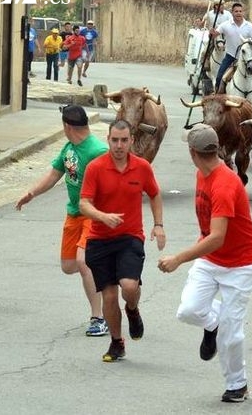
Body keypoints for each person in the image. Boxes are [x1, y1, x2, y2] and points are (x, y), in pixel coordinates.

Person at [158, 123, 252, 403]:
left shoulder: (225, 184)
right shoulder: (201, 173)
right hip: (210, 259)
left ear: (193, 152)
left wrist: (178, 258)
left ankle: (238, 385)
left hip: (239, 263)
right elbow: (210, 234)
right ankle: (213, 324)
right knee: (188, 311)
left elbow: (217, 237)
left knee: (232, 334)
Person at [15, 105, 109, 336]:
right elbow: (54, 174)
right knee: (68, 266)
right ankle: (103, 270)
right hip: (74, 214)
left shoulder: (98, 151)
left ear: (67, 126)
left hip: (94, 214)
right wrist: (32, 193)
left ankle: (99, 318)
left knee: (82, 261)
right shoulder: (69, 148)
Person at [79, 119, 167, 362]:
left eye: (124, 140)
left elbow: (155, 194)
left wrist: (158, 225)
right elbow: (84, 203)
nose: (119, 145)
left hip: (129, 237)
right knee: (108, 296)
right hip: (100, 240)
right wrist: (101, 216)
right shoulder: (96, 168)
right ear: (108, 140)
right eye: (115, 140)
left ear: (131, 141)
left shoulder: (142, 167)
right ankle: (117, 342)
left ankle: (132, 309)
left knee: (129, 286)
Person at [211, 2, 252, 92]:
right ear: (232, 12)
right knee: (219, 77)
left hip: (246, 57)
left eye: (240, 11)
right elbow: (215, 34)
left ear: (243, 12)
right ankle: (217, 96)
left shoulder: (249, 26)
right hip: (231, 56)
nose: (238, 13)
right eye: (236, 11)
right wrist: (211, 33)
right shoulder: (225, 25)